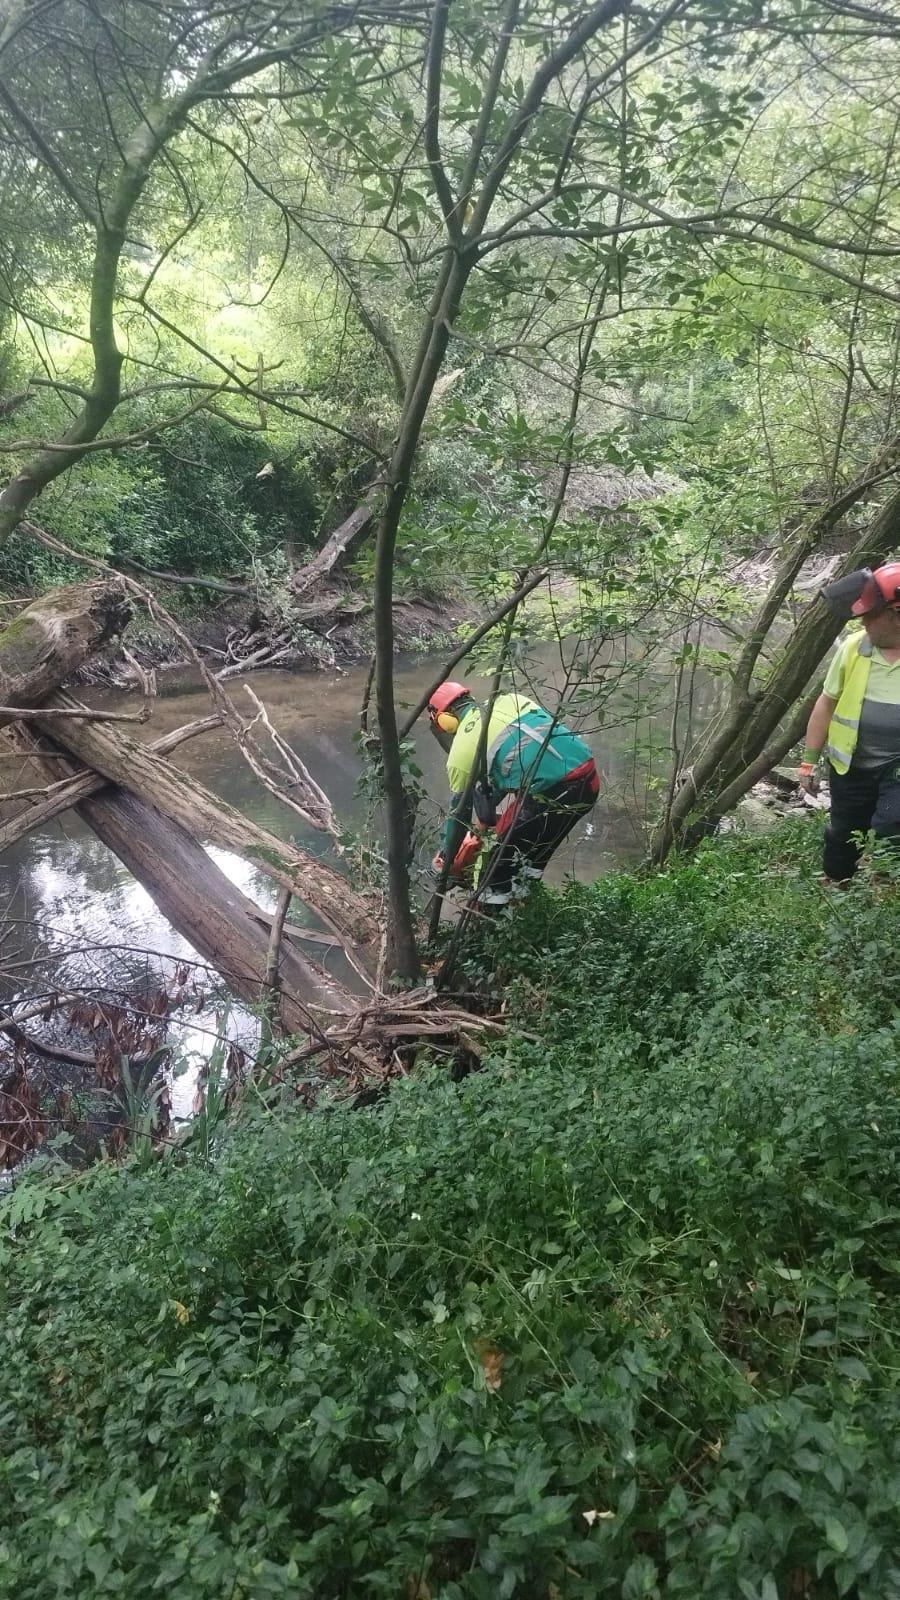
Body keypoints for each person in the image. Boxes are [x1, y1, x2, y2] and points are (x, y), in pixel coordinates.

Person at [427, 681, 600, 907]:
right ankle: (524, 914)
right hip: (588, 780)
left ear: (445, 720)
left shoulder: (461, 751)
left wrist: (448, 859)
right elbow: (515, 758)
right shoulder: (508, 699)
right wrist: (484, 815)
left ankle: (488, 929)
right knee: (531, 858)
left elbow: (458, 816)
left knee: (497, 869)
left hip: (555, 789)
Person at [800, 561, 900, 881]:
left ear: (896, 615)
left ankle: (885, 889)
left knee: (891, 829)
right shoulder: (854, 648)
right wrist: (808, 763)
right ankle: (837, 885)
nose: (863, 620)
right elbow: (825, 705)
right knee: (843, 834)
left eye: (870, 614)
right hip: (851, 766)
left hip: (896, 767)